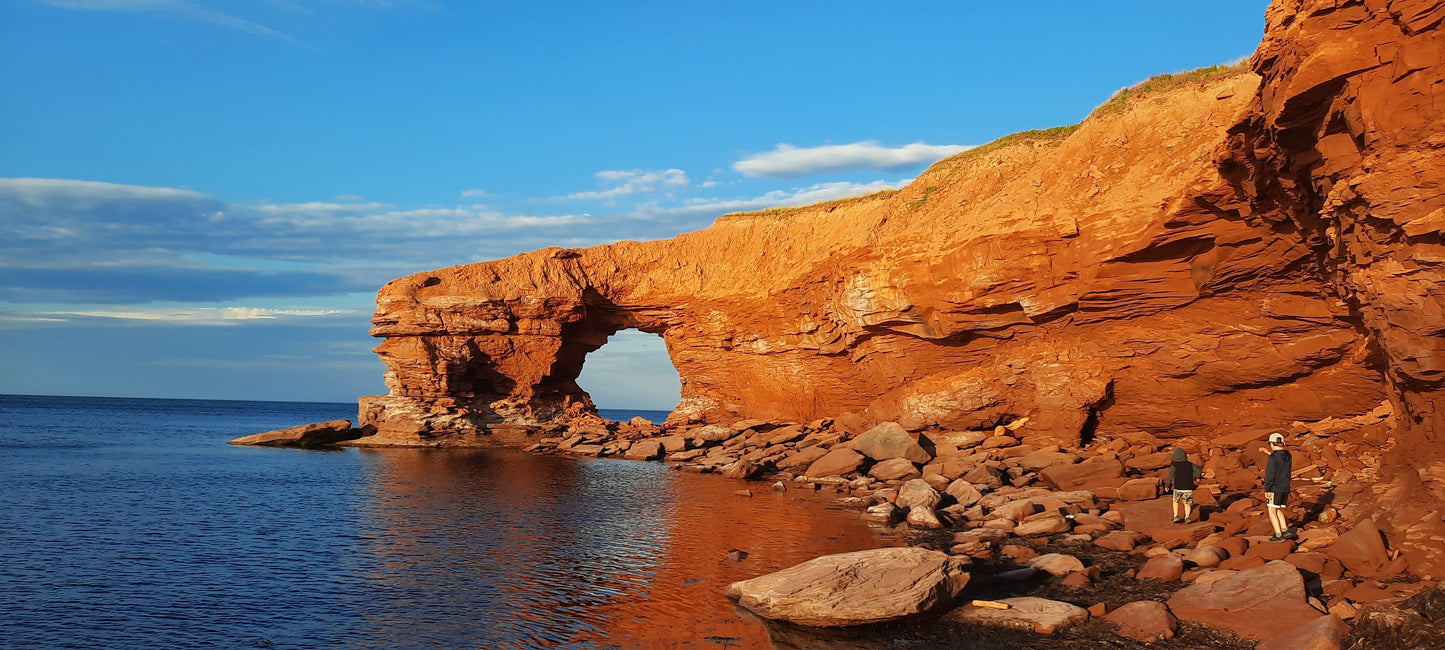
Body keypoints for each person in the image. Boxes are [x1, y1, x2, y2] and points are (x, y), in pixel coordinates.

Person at [1259, 432, 1295, 541]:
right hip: (1285, 488)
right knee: (1277, 508)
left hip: (1275, 488)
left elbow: (1270, 474)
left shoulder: (1273, 458)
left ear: (1272, 444)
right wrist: (1268, 453)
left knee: (1271, 511)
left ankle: (1278, 535)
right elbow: (1279, 459)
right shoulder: (1288, 455)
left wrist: (1267, 489)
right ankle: (1285, 530)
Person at [1164, 447, 1201, 524]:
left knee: (1175, 501)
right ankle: (1187, 517)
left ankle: (1176, 516)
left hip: (1178, 487)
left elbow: (1170, 476)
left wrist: (1167, 485)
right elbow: (1198, 471)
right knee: (1187, 503)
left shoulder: (1174, 465)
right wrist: (1198, 477)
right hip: (1188, 488)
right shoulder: (1190, 464)